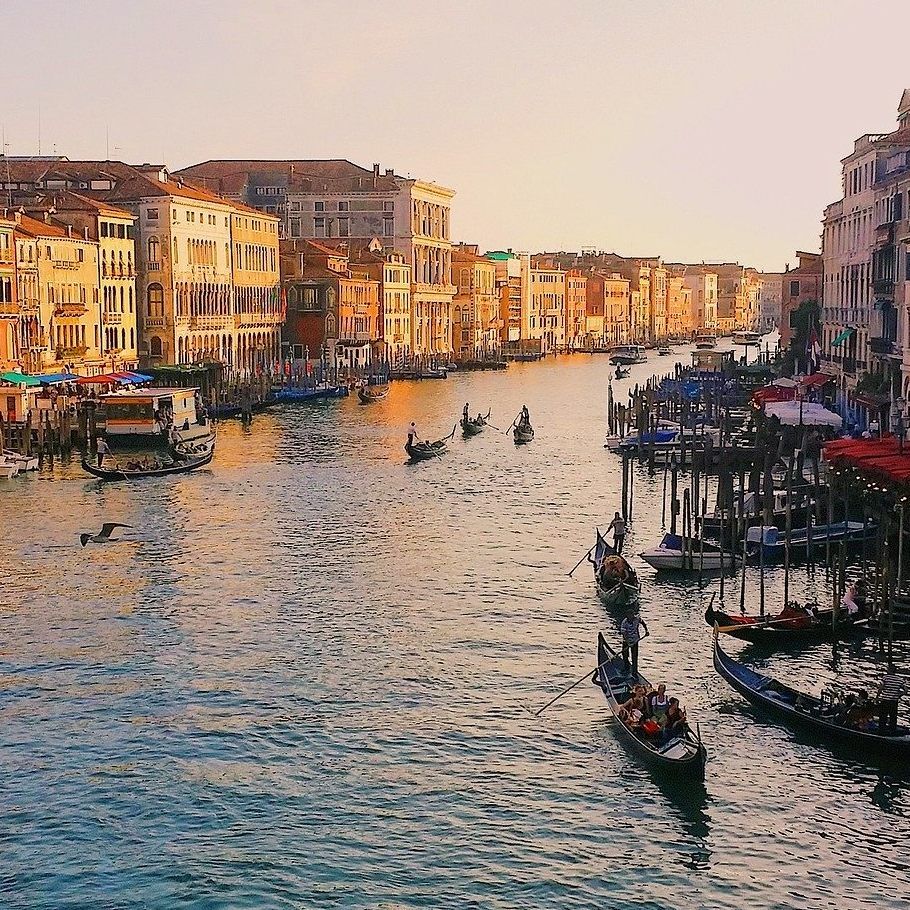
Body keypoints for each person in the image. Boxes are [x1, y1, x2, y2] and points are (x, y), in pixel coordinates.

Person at [620, 608, 649, 676]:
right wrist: (628, 643)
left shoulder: (637, 619)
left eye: (632, 615)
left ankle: (634, 672)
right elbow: (624, 634)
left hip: (635, 641)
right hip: (626, 641)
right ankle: (626, 668)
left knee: (634, 656)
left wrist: (646, 631)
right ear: (627, 616)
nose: (631, 617)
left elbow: (643, 623)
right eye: (630, 615)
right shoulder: (624, 623)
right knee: (625, 655)